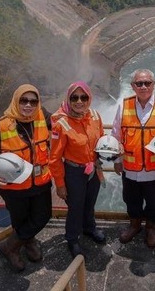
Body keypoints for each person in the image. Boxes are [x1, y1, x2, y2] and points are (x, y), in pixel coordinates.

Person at [0, 84, 53, 272]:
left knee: (42, 216)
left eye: (33, 101)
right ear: (16, 101)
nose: (28, 105)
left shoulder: (43, 116)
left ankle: (9, 247)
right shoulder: (0, 126)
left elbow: (63, 123)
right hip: (14, 187)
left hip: (40, 182)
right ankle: (24, 245)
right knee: (20, 220)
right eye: (24, 100)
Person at [111, 69, 155, 248]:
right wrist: (117, 161)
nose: (143, 87)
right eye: (139, 83)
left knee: (153, 203)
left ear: (154, 84)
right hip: (130, 168)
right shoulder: (123, 105)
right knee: (130, 200)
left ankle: (151, 227)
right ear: (132, 86)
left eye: (147, 83)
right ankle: (134, 225)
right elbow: (115, 135)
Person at [49, 81, 106, 258]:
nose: (79, 101)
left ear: (89, 98)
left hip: (93, 169)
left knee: (90, 202)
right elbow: (54, 158)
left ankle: (89, 228)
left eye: (83, 97)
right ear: (68, 99)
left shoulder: (95, 116)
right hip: (73, 172)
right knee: (75, 207)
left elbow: (102, 138)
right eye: (74, 97)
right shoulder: (61, 124)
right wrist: (60, 184)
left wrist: (109, 150)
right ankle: (72, 238)